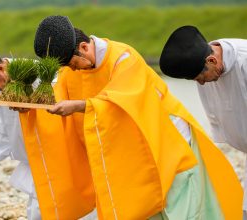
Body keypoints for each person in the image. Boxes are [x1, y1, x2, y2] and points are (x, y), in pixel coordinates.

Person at [26, 15, 243, 219]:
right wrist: (32, 105)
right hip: (132, 146)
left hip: (167, 138)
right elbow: (57, 94)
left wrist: (79, 106)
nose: (72, 70)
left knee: (182, 204)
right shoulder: (72, 70)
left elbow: (121, 102)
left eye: (73, 64)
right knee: (143, 204)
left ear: (84, 47)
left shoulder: (123, 58)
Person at [0, 32, 98, 219]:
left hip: (71, 158)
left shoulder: (43, 76)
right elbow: (4, 128)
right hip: (39, 162)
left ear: (1, 68)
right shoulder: (0, 87)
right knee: (40, 210)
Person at [159, 25, 247, 219]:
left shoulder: (244, 61)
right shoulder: (208, 69)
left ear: (212, 60)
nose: (200, 83)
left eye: (200, 77)